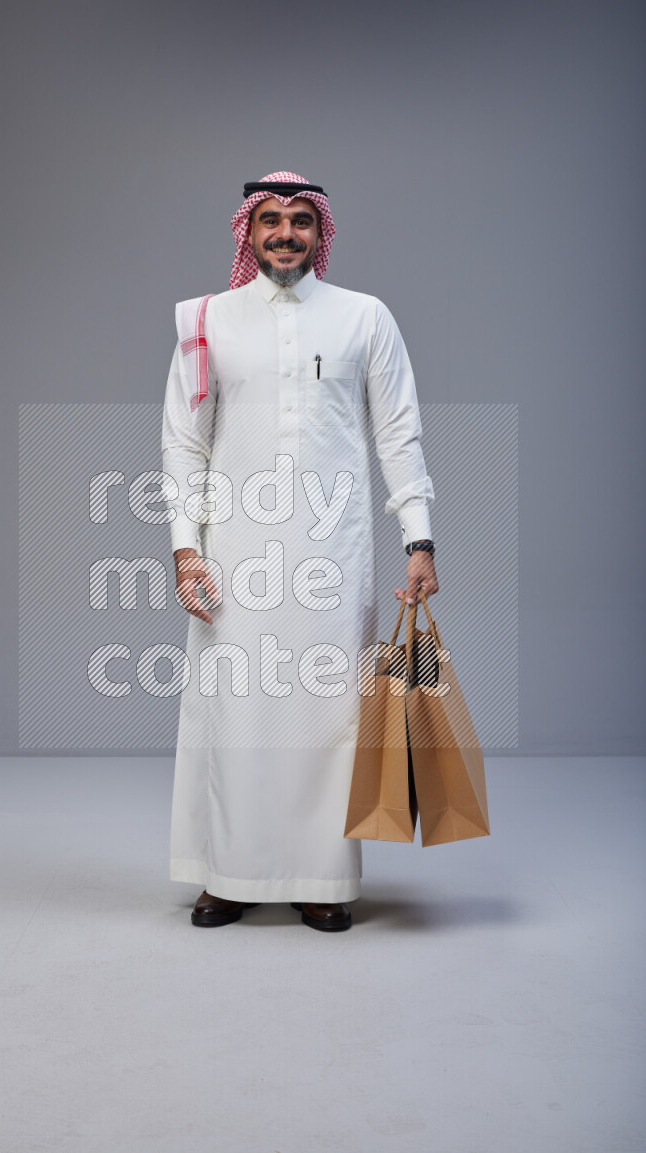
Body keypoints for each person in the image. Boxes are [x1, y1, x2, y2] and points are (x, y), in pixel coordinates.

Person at [160, 171, 438, 931]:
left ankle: (322, 877)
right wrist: (187, 550)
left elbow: (398, 433)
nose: (285, 233)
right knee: (237, 711)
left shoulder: (364, 319)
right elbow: (185, 443)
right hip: (234, 553)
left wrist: (419, 537)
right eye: (271, 221)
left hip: (333, 551)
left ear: (321, 233)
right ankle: (230, 873)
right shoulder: (206, 320)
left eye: (301, 221)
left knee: (329, 715)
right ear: (247, 234)